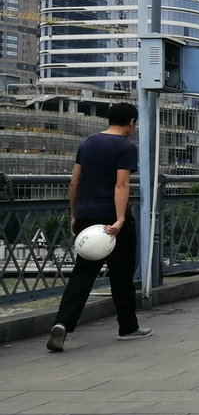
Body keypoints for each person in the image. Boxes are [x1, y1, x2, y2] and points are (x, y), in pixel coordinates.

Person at [47, 103, 150, 352]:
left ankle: (62, 323)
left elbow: (75, 182)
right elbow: (121, 185)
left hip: (87, 217)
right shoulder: (126, 147)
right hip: (112, 220)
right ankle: (128, 327)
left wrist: (74, 214)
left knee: (82, 274)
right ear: (132, 122)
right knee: (121, 274)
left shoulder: (88, 143)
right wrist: (120, 219)